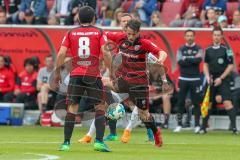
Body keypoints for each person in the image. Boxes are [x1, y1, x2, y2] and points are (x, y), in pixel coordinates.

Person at [54, 6, 112, 152]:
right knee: (100, 106)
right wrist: (111, 71)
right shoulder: (99, 32)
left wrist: (57, 73)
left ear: (78, 18)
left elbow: (61, 54)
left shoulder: (70, 32)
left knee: (72, 107)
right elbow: (106, 52)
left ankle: (66, 143)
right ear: (94, 18)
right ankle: (98, 141)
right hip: (93, 74)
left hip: (76, 74)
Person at [105, 19, 167, 147]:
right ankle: (107, 118)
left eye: (133, 34)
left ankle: (156, 133)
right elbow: (102, 34)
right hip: (124, 81)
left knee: (144, 114)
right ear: (125, 31)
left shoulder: (144, 43)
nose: (131, 37)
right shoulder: (120, 38)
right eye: (128, 34)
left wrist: (160, 60)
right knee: (101, 81)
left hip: (139, 84)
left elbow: (162, 52)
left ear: (138, 32)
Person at [199, 26, 238, 134]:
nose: (216, 37)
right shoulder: (207, 49)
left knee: (227, 103)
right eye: (215, 35)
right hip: (211, 79)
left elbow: (230, 66)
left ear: (221, 36)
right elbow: (205, 65)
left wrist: (221, 78)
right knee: (208, 103)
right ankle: (203, 127)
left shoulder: (227, 50)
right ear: (212, 36)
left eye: (218, 35)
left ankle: (234, 128)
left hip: (223, 79)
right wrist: (207, 77)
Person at [173, 29, 203, 133]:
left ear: (194, 37)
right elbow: (180, 62)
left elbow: (198, 60)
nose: (190, 37)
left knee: (196, 103)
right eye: (188, 36)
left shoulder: (198, 48)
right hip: (183, 79)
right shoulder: (181, 49)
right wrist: (191, 60)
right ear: (185, 37)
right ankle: (179, 125)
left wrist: (187, 59)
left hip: (195, 79)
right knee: (180, 102)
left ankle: (198, 125)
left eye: (191, 36)